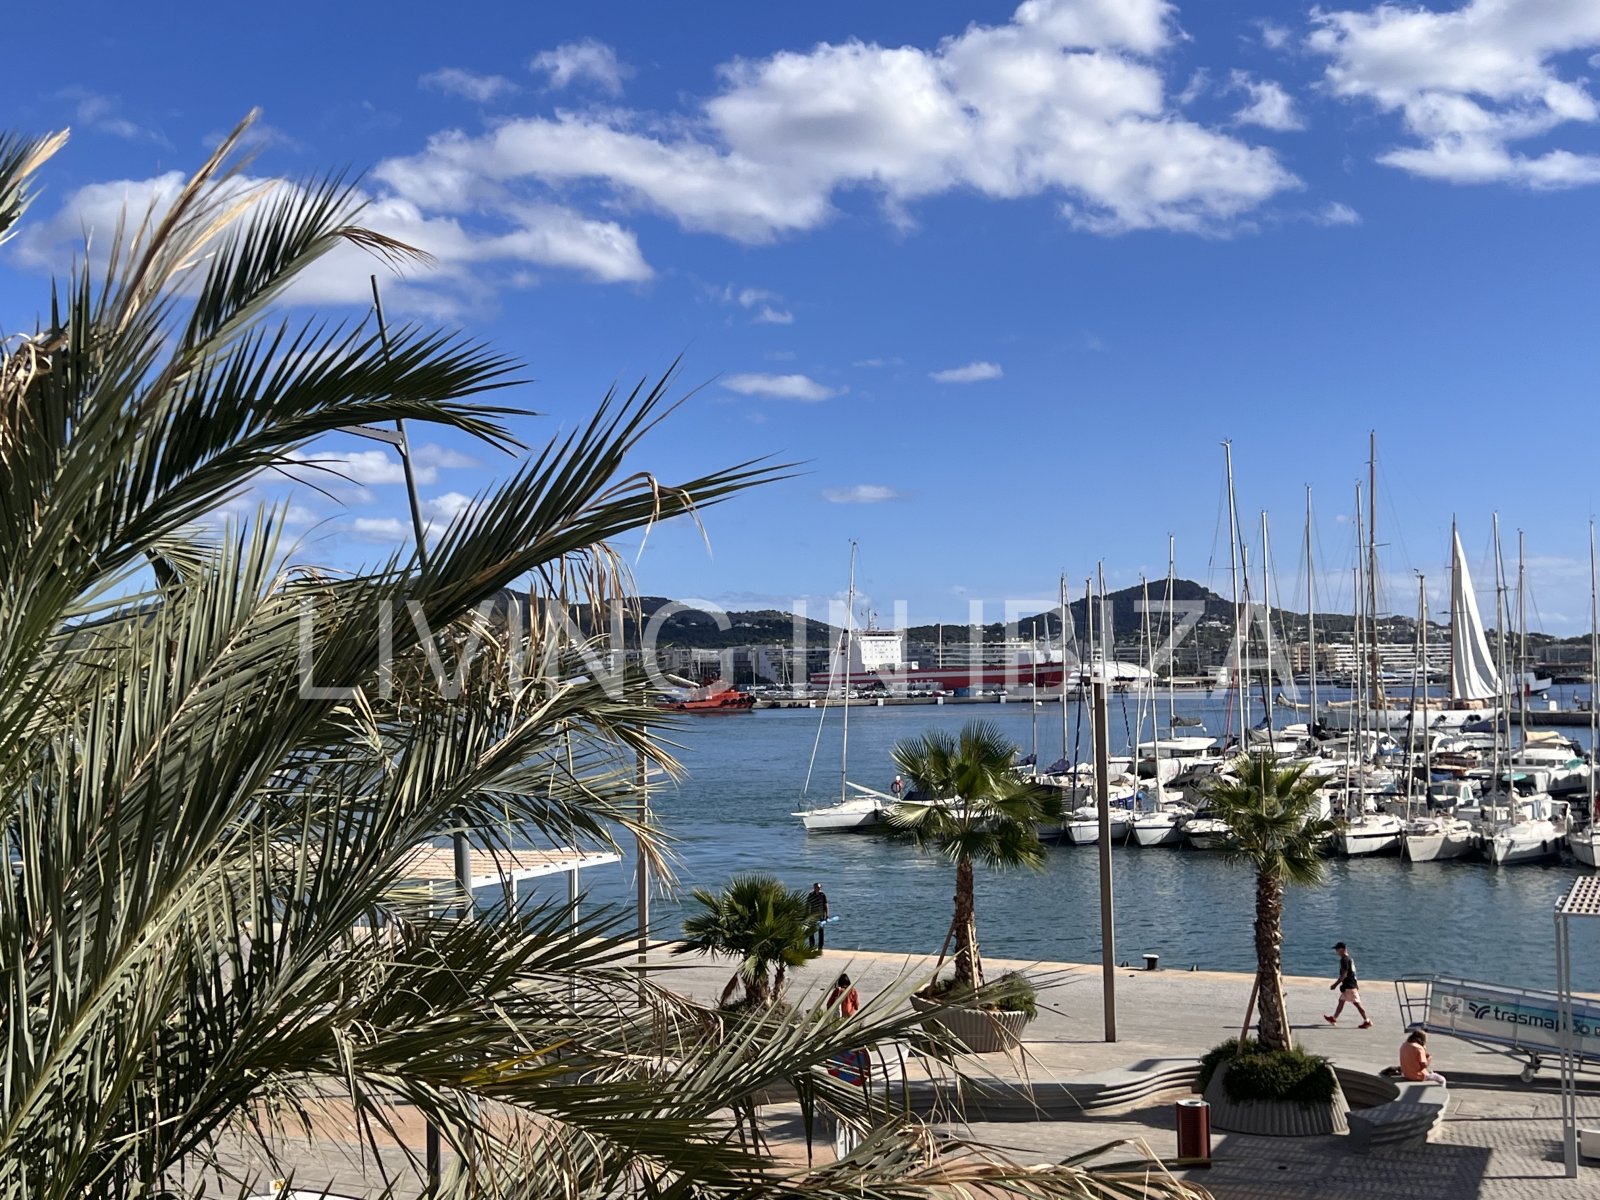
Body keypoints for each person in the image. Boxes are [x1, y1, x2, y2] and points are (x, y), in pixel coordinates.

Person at [1325, 940, 1373, 1028]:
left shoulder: (1344, 960)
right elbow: (1353, 973)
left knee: (1357, 1004)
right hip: (1350, 985)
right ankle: (1334, 1018)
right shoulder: (1350, 959)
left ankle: (1367, 1020)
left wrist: (1335, 985)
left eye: (1337, 949)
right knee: (1341, 1001)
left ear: (1343, 949)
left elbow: (1344, 974)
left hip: (1349, 986)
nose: (1336, 952)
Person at [806, 881, 829, 951]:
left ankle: (820, 947)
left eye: (819, 887)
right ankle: (811, 946)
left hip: (821, 915)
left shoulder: (822, 895)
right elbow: (807, 905)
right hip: (812, 915)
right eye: (816, 887)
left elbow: (826, 905)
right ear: (814, 888)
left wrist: (827, 914)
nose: (818, 889)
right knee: (811, 931)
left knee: (821, 932)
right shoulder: (811, 895)